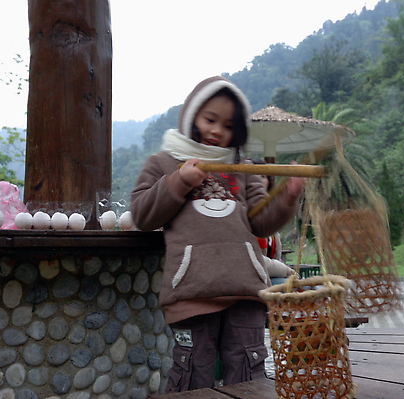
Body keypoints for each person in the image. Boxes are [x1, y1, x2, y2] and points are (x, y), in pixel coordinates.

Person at [130, 76, 304, 392]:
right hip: (192, 291)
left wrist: (287, 197)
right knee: (193, 375)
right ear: (191, 115)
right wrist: (180, 181)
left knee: (248, 375)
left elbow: (261, 223)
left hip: (246, 290)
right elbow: (142, 214)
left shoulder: (242, 167)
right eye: (210, 119)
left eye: (227, 126)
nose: (216, 131)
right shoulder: (165, 162)